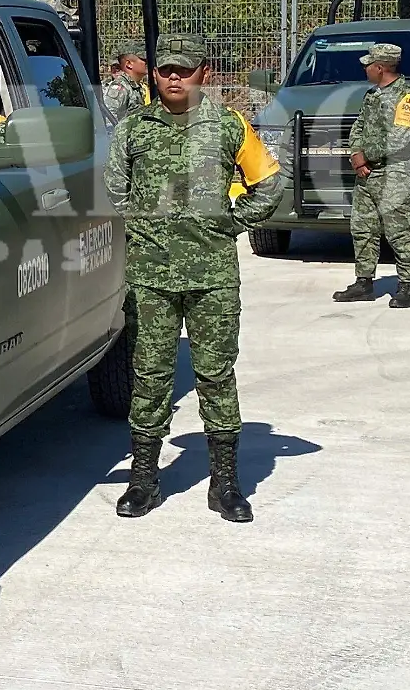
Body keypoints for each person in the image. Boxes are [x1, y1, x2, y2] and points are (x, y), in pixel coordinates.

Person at [105, 34, 283, 522]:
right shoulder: (133, 129)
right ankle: (144, 479)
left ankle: (224, 483)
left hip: (213, 276)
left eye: (184, 70)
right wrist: (145, 229)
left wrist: (230, 221)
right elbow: (113, 188)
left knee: (215, 374)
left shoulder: (229, 126)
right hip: (151, 278)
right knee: (150, 375)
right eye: (165, 70)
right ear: (155, 73)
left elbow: (269, 181)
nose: (174, 78)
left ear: (204, 73)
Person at [332, 42, 410, 308]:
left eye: (368, 65)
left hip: (395, 173)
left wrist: (365, 156)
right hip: (368, 173)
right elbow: (358, 126)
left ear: (380, 67)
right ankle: (364, 282)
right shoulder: (372, 95)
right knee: (363, 227)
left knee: (399, 229)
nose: (365, 69)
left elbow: (400, 139)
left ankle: (408, 286)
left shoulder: (408, 96)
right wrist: (356, 155)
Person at [101, 46, 150, 118]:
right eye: (143, 59)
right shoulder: (121, 87)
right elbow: (109, 118)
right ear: (129, 64)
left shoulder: (134, 86)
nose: (147, 62)